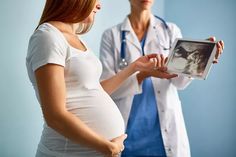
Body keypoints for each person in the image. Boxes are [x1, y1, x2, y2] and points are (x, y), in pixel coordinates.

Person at [26, 0, 163, 156]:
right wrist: (107, 147)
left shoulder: (75, 39)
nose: (99, 5)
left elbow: (95, 90)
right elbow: (55, 115)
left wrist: (134, 67)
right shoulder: (48, 37)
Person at [99, 0, 224, 157]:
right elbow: (108, 91)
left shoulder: (170, 30)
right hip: (127, 136)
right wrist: (144, 74)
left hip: (163, 137)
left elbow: (179, 83)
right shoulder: (112, 36)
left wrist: (199, 60)